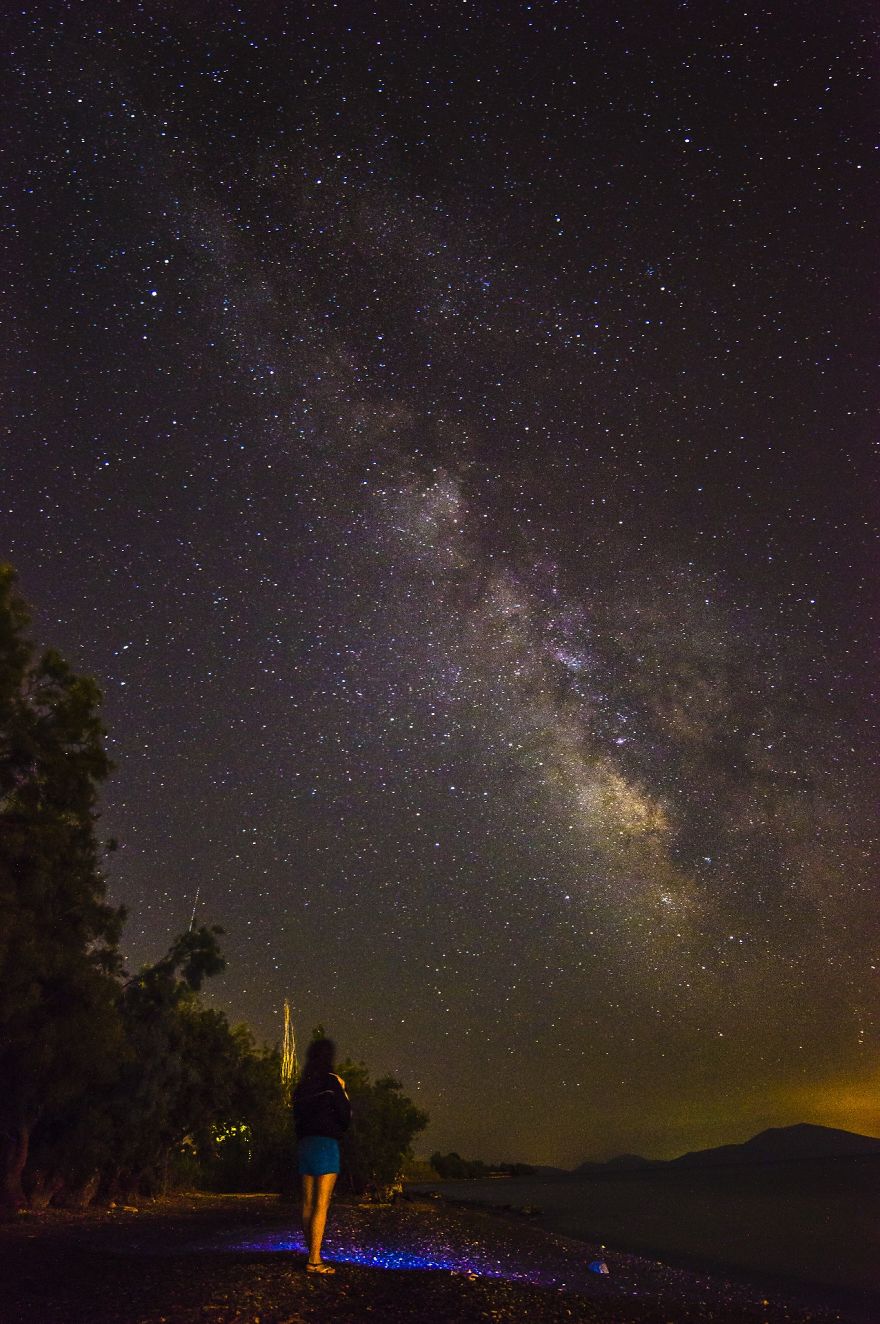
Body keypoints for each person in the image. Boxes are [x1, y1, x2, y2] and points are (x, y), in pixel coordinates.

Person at [292, 1036, 351, 1273]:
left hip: (305, 1145)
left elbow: (296, 1119)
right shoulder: (332, 1082)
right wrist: (343, 1090)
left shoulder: (301, 1087)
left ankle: (312, 1253)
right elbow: (345, 1117)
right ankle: (314, 1260)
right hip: (326, 1144)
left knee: (307, 1203)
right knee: (321, 1204)